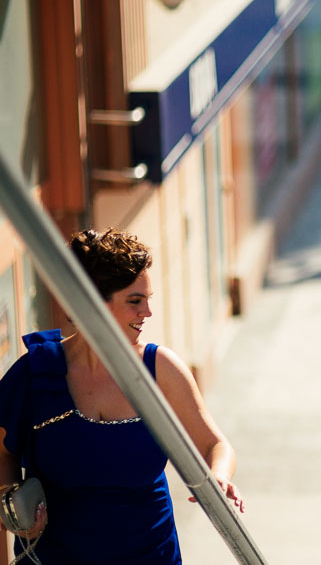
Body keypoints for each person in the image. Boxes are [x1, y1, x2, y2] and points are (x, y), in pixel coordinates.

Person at [0, 228, 243, 564]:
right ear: (90, 302)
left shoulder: (160, 370)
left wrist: (219, 476)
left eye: (147, 299)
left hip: (149, 555)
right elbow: (2, 455)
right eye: (134, 301)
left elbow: (216, 445)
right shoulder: (33, 373)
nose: (147, 312)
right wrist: (9, 498)